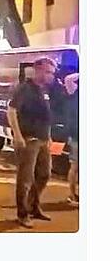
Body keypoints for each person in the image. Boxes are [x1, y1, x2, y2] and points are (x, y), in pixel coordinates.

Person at [7, 58, 58, 228]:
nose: (51, 75)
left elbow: (47, 116)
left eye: (52, 72)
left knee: (44, 174)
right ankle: (22, 214)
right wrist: (18, 135)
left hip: (43, 139)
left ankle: (34, 206)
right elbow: (12, 111)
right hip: (29, 139)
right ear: (38, 71)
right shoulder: (24, 89)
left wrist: (49, 136)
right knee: (25, 178)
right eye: (48, 72)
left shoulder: (44, 90)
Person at [64, 72, 79, 205]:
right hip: (76, 135)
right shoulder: (75, 91)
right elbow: (69, 78)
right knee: (75, 166)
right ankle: (72, 195)